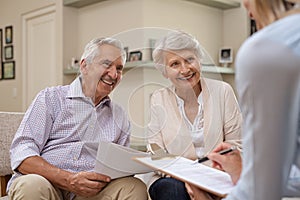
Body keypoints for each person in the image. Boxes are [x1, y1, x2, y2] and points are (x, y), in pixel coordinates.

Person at [7, 37, 148, 200]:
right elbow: (22, 153)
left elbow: (121, 169)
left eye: (119, 68)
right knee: (30, 186)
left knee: (134, 188)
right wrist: (67, 179)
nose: (114, 74)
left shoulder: (119, 115)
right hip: (47, 183)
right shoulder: (50, 98)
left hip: (90, 192)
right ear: (84, 66)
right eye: (107, 64)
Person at [187, 0, 300, 199]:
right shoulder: (160, 99)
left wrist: (252, 177)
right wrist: (245, 172)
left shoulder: (267, 49)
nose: (248, 12)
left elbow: (261, 192)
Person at [146, 30, 243, 200]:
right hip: (173, 178)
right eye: (175, 64)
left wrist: (203, 178)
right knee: (172, 190)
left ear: (199, 61)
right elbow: (155, 151)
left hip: (216, 175)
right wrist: (185, 177)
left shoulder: (222, 91)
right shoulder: (158, 98)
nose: (185, 69)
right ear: (164, 72)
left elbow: (237, 145)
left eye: (189, 59)